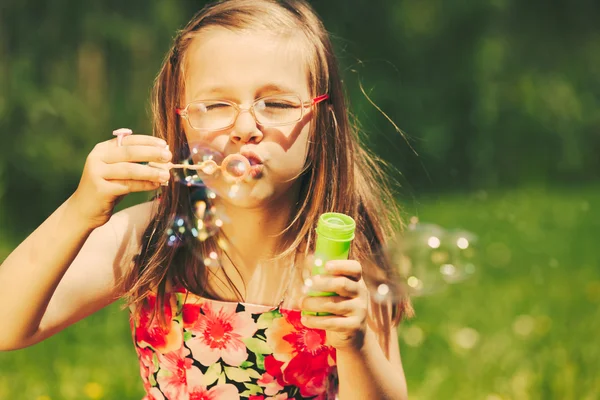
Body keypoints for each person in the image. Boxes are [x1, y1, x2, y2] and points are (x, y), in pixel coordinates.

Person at [0, 0, 412, 398]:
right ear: (181, 120)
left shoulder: (340, 259)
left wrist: (355, 344)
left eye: (277, 103)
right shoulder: (151, 238)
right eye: (216, 105)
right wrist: (79, 211)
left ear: (322, 120)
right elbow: (6, 325)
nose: (245, 127)